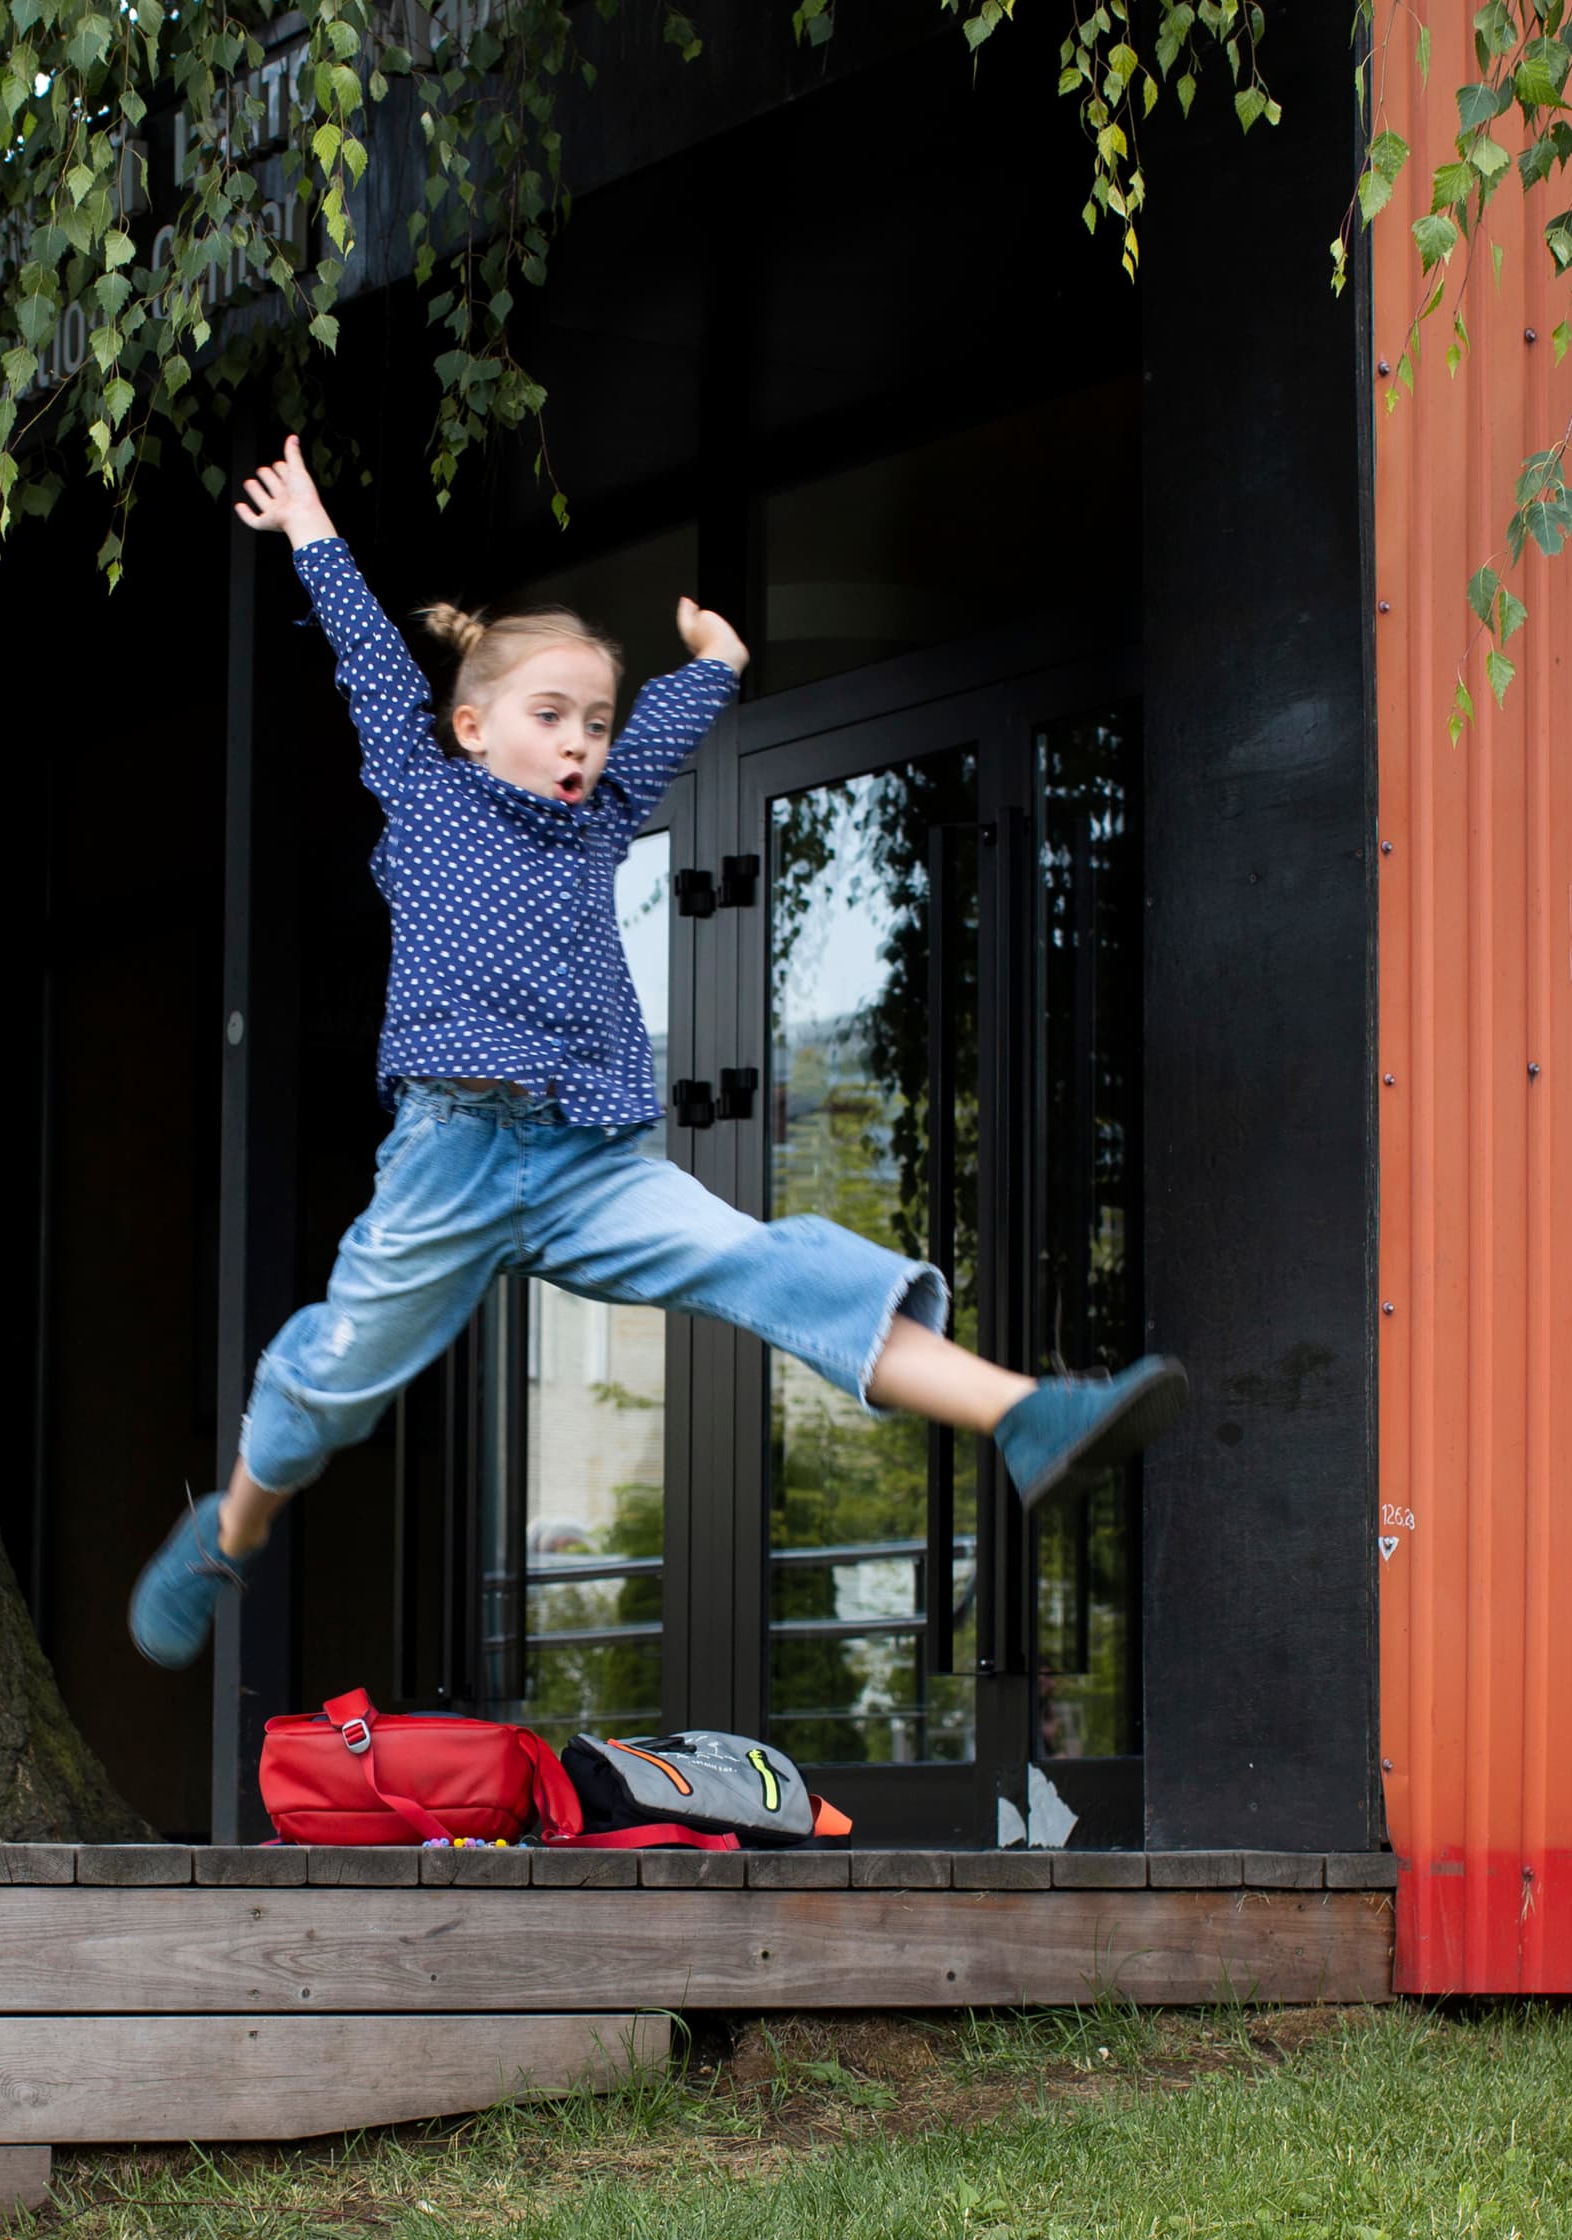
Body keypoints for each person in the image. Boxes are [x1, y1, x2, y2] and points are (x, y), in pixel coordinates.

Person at [131, 437, 1188, 1669]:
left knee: (765, 1260)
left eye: (594, 722)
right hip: (450, 1158)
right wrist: (312, 526)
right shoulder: (424, 792)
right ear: (470, 727)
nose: (581, 744)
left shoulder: (597, 824)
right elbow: (370, 657)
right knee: (333, 1378)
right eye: (550, 718)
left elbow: (659, 733)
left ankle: (1025, 1414)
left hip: (591, 1161)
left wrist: (722, 662)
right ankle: (230, 1530)